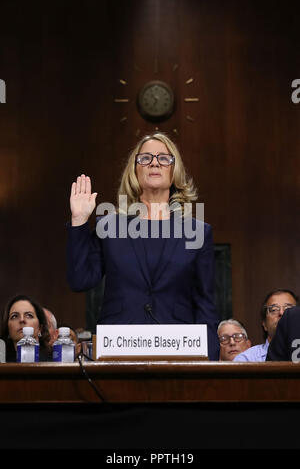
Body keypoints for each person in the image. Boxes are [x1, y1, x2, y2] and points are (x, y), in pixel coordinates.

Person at [66, 132, 220, 360]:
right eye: (145, 158)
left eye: (164, 158)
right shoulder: (109, 226)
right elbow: (80, 280)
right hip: (118, 347)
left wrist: (208, 362)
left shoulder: (198, 231)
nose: (155, 162)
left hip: (178, 350)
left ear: (174, 171)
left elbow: (206, 304)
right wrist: (79, 220)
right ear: (134, 170)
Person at [234, 288, 298, 362]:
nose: (282, 313)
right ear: (264, 324)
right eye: (274, 309)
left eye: (289, 309)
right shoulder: (247, 360)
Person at [0, 294, 52, 362]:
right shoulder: (2, 363)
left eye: (29, 315)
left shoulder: (54, 362)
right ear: (8, 330)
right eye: (14, 316)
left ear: (40, 328)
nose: (22, 320)